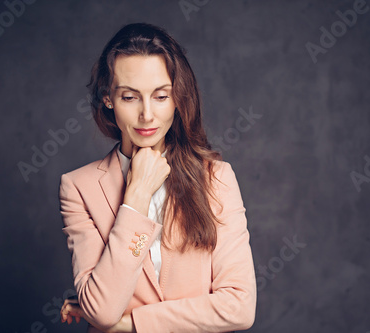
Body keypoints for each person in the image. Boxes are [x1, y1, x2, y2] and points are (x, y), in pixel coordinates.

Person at [58, 23, 256, 333]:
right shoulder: (78, 188)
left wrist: (132, 323)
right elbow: (103, 311)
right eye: (129, 97)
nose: (147, 115)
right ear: (108, 98)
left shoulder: (216, 178)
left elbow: (239, 307)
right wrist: (136, 197)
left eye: (161, 96)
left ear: (178, 98)